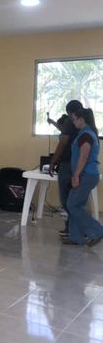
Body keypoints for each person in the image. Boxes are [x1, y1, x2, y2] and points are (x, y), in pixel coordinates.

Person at [61, 108, 103, 247]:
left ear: (81, 119)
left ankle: (97, 231)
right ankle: (76, 237)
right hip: (87, 174)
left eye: (74, 119)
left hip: (86, 175)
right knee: (76, 204)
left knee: (72, 205)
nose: (73, 122)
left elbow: (83, 157)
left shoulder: (86, 135)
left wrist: (76, 175)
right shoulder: (86, 134)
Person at [48, 100, 83, 235]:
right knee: (74, 200)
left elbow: (63, 142)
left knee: (66, 200)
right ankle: (72, 229)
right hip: (80, 165)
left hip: (68, 164)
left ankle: (80, 228)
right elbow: (64, 130)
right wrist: (52, 122)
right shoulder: (85, 122)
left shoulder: (70, 120)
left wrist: (53, 162)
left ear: (69, 112)